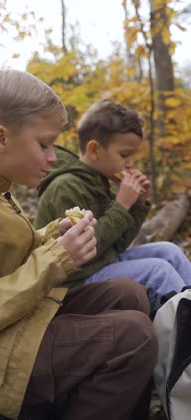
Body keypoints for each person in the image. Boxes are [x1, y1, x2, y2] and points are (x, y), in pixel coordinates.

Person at [0, 72, 157, 420]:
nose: (53, 158)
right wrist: (56, 257)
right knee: (134, 337)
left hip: (13, 327)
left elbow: (8, 259)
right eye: (44, 144)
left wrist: (53, 234)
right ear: (1, 138)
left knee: (128, 293)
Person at [35, 99, 191, 312]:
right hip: (70, 285)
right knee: (158, 272)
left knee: (169, 251)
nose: (130, 164)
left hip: (100, 264)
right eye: (124, 155)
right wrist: (122, 205)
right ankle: (182, 329)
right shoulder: (67, 186)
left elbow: (117, 244)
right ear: (95, 150)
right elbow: (85, 253)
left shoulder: (98, 180)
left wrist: (137, 205)